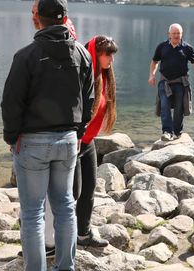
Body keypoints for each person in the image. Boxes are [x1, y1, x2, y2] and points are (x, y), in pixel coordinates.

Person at [1, 0, 93, 271]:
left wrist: (11, 136)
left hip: (32, 142)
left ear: (37, 19)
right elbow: (88, 100)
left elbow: (11, 101)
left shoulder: (26, 55)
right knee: (65, 206)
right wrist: (78, 133)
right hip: (67, 141)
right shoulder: (82, 54)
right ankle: (66, 267)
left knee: (32, 214)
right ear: (64, 18)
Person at [74, 35, 119, 248]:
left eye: (112, 54)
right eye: (107, 54)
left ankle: (83, 234)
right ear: (95, 54)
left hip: (88, 142)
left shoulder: (105, 76)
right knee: (72, 191)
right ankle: (54, 237)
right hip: (73, 142)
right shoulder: (82, 76)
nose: (111, 58)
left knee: (89, 189)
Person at [148, 23, 194, 140]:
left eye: (178, 33)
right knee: (164, 106)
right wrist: (152, 75)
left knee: (179, 108)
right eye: (174, 33)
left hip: (180, 83)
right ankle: (167, 132)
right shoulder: (162, 47)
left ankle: (177, 132)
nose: (176, 35)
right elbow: (154, 62)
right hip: (164, 82)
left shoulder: (187, 48)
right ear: (169, 34)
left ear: (182, 34)